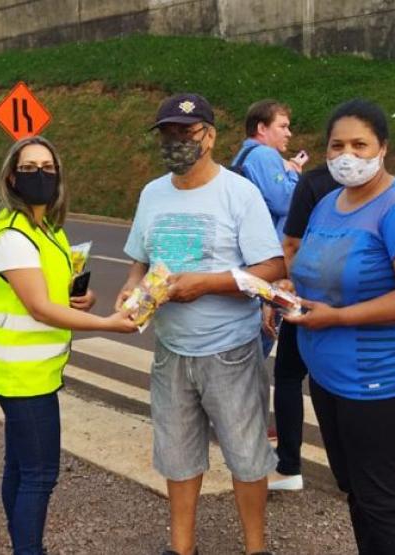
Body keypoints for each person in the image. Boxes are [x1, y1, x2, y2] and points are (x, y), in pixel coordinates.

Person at [116, 93, 286, 555]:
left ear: (209, 136)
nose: (175, 142)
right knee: (177, 455)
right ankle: (182, 547)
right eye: (167, 134)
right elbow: (140, 260)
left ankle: (256, 548)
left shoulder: (238, 192)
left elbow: (271, 267)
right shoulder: (153, 193)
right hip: (170, 350)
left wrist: (207, 285)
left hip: (229, 350)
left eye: (185, 133)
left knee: (247, 456)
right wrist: (132, 288)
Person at [283, 99, 395, 554]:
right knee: (357, 491)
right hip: (332, 380)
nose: (347, 155)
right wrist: (284, 290)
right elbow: (311, 266)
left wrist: (337, 317)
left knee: (382, 499)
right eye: (337, 145)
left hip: (386, 381)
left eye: (360, 144)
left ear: (383, 149)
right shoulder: (329, 202)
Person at [0, 136, 137, 555]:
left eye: (48, 167)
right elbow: (40, 308)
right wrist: (106, 323)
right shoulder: (11, 233)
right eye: (29, 168)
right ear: (12, 177)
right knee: (40, 475)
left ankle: (21, 546)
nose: (40, 175)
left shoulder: (47, 229)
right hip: (20, 375)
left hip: (33, 370)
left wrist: (84, 300)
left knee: (21, 466)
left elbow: (55, 296)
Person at [262, 161, 341, 492]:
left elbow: (291, 244)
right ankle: (350, 469)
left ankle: (289, 465)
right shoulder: (389, 189)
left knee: (289, 376)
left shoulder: (313, 181)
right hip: (359, 301)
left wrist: (280, 294)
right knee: (339, 383)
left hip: (307, 298)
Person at [231, 99, 305, 240]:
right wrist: (293, 173)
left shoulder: (244, 155)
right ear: (262, 129)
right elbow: (286, 203)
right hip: (268, 250)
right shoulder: (264, 154)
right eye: (283, 127)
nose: (289, 133)